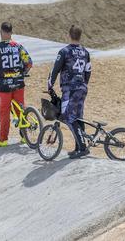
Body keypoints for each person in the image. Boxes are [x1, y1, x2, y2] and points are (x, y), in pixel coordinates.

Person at [0, 22, 33, 147]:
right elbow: (29, 63)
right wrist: (22, 73)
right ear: (11, 32)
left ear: (1, 32)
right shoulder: (19, 46)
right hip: (18, 84)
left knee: (4, 112)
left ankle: (3, 139)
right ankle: (25, 137)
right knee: (20, 110)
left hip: (3, 86)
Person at [47, 25, 92, 159]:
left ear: (69, 35)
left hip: (70, 89)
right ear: (80, 36)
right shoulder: (85, 52)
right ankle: (79, 147)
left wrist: (50, 85)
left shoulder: (64, 51)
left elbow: (55, 69)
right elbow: (88, 71)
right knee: (78, 117)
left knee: (67, 117)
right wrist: (83, 83)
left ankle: (82, 148)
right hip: (82, 88)